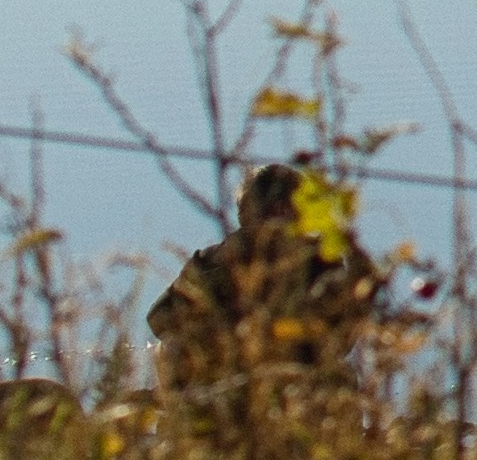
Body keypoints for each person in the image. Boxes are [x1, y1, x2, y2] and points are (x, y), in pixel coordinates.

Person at [152, 157, 392, 391]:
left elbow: (339, 336)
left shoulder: (320, 261)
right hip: (230, 386)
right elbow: (161, 321)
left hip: (293, 383)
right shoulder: (215, 261)